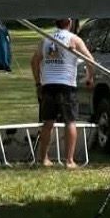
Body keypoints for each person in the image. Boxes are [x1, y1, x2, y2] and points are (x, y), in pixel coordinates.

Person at [31, 18, 94, 169]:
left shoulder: (45, 39)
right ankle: (69, 161)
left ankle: (44, 159)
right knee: (70, 121)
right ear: (70, 23)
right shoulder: (74, 39)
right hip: (66, 85)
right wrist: (89, 78)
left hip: (48, 85)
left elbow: (34, 61)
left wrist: (38, 83)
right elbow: (90, 60)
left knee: (48, 122)